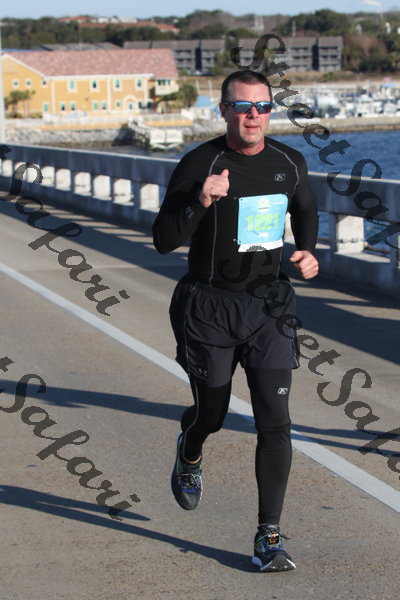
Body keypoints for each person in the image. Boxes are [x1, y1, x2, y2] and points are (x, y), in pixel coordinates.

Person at [152, 69, 319, 572]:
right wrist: (201, 200)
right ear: (224, 110)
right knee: (213, 415)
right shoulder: (200, 164)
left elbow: (305, 209)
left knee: (276, 422)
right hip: (209, 308)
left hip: (270, 307)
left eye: (263, 106)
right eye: (243, 106)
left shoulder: (289, 162)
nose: (253, 116)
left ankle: (269, 535)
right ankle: (191, 449)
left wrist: (307, 250)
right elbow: (163, 240)